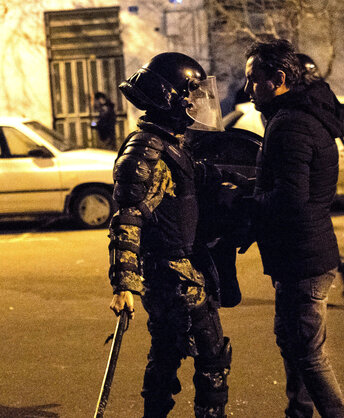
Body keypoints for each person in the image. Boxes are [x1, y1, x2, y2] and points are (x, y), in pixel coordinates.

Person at [108, 52, 233, 418]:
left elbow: (195, 175)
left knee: (166, 351)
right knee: (211, 358)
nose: (196, 104)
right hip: (173, 276)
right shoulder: (147, 152)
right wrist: (124, 283)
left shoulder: (169, 144)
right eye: (190, 96)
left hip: (176, 271)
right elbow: (128, 217)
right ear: (170, 99)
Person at [241, 39, 344, 418]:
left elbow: (291, 198)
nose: (247, 88)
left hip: (303, 258)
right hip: (298, 255)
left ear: (279, 79)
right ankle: (298, 414)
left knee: (308, 354)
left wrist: (245, 203)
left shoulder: (291, 125)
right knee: (292, 342)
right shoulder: (295, 117)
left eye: (254, 79)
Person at [296, 52, 344, 299]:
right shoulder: (320, 98)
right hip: (320, 173)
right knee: (317, 228)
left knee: (310, 230)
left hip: (312, 175)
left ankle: (343, 267)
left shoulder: (302, 108)